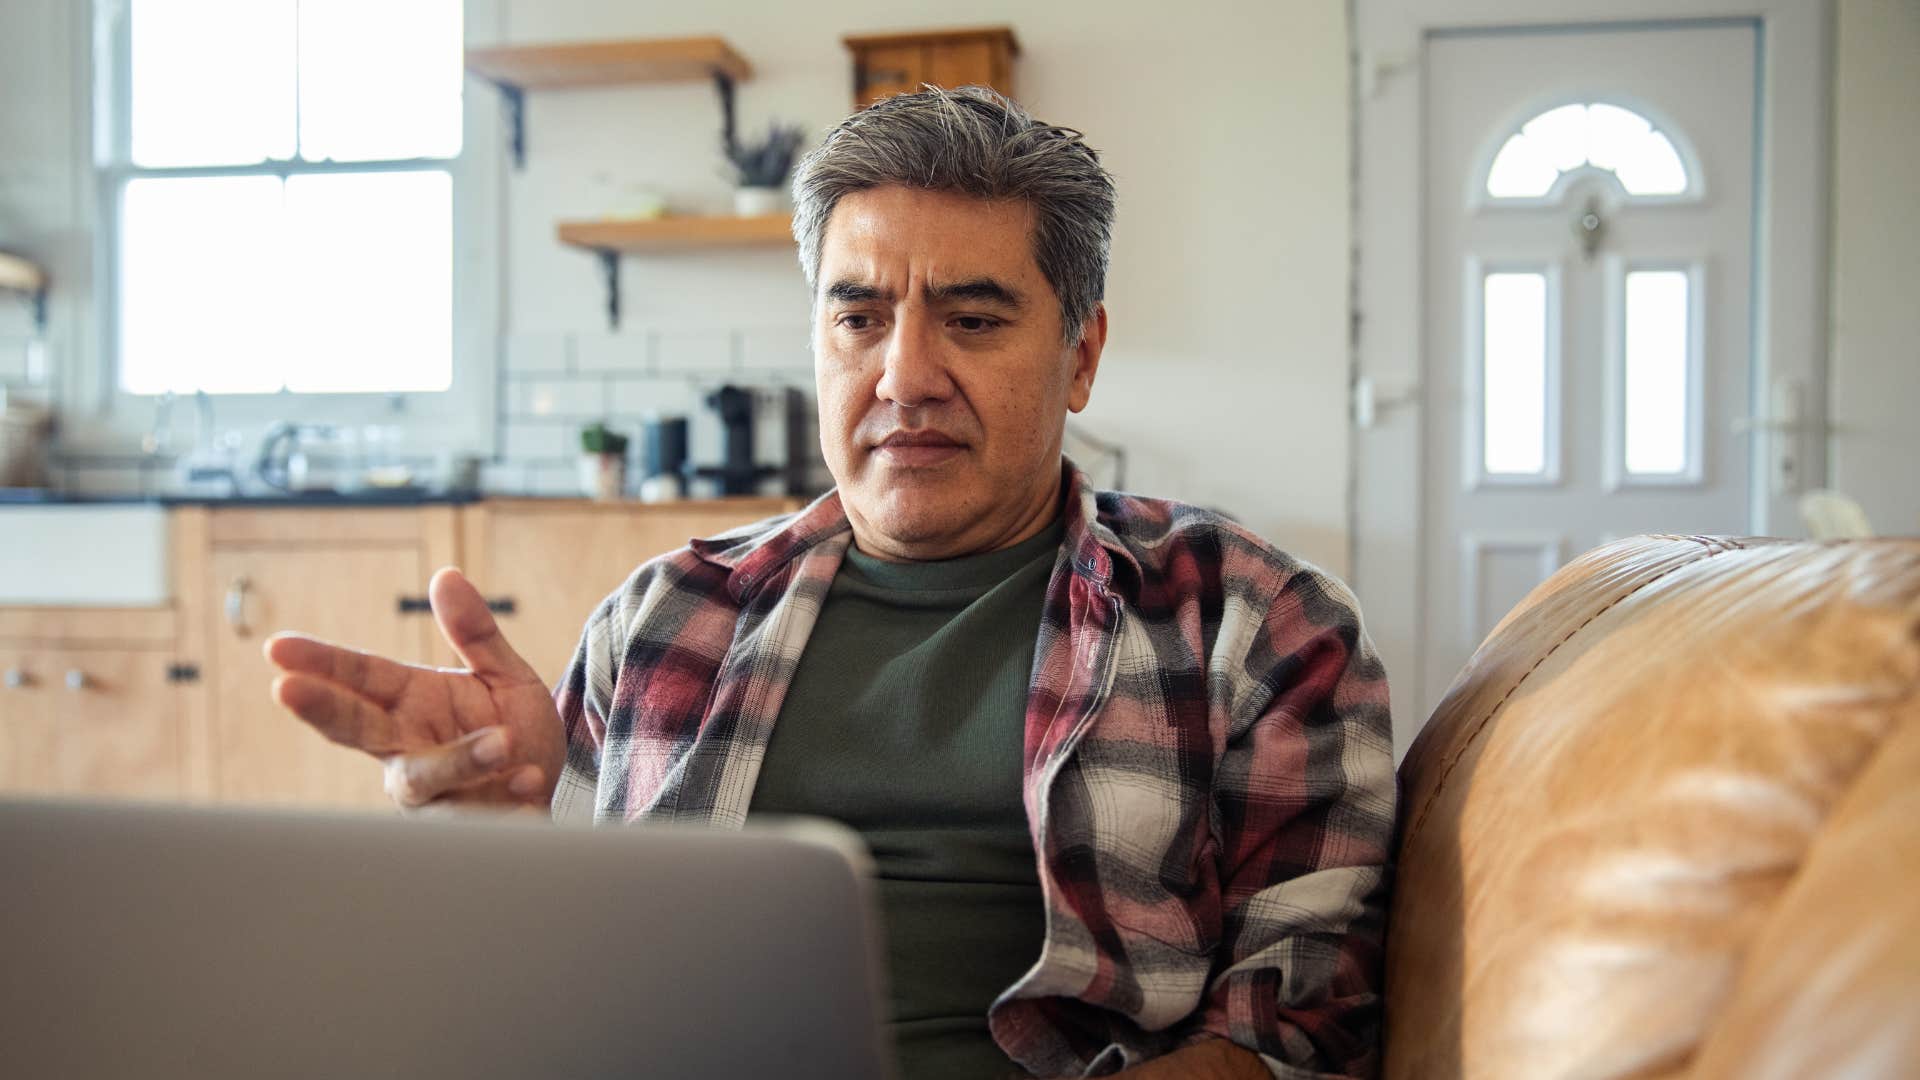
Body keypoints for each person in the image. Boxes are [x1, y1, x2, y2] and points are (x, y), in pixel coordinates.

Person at [265, 87, 1395, 1080]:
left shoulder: (1249, 622)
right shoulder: (664, 619)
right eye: (859, 317)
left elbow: (1300, 1032)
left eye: (974, 320)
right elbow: (551, 994)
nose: (905, 376)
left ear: (1082, 355)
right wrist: (503, 845)